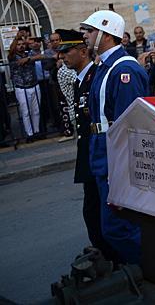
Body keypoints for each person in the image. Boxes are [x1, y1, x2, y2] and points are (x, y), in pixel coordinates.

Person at [81, 10, 148, 264]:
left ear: (106, 35)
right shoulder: (104, 66)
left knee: (119, 228)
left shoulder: (124, 70)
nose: (85, 35)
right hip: (101, 151)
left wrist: (120, 166)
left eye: (90, 30)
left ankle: (147, 272)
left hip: (115, 155)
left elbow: (128, 125)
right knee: (110, 225)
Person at [55, 28, 119, 263]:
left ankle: (113, 258)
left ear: (83, 52)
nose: (62, 56)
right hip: (88, 154)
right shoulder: (78, 82)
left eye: (67, 51)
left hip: (100, 154)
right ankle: (106, 254)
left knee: (98, 212)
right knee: (92, 211)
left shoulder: (97, 77)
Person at [9, 36, 44, 141]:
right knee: (26, 112)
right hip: (21, 87)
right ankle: (29, 134)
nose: (21, 46)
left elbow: (42, 56)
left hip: (34, 84)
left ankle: (36, 131)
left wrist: (28, 58)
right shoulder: (12, 56)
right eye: (18, 44)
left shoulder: (29, 54)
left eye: (22, 44)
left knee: (36, 110)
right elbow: (16, 57)